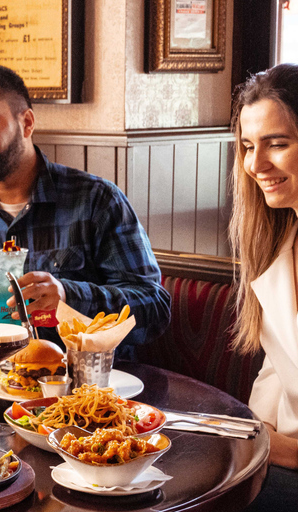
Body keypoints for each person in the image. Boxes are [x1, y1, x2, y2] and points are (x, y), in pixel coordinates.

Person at [0, 65, 170, 359]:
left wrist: (68, 296)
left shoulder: (97, 200)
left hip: (84, 392)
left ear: (27, 123)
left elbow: (155, 308)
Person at [228, 64, 298, 512]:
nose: (256, 164)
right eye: (249, 146)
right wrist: (250, 436)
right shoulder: (281, 243)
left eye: (278, 143)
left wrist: (275, 449)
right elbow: (276, 372)